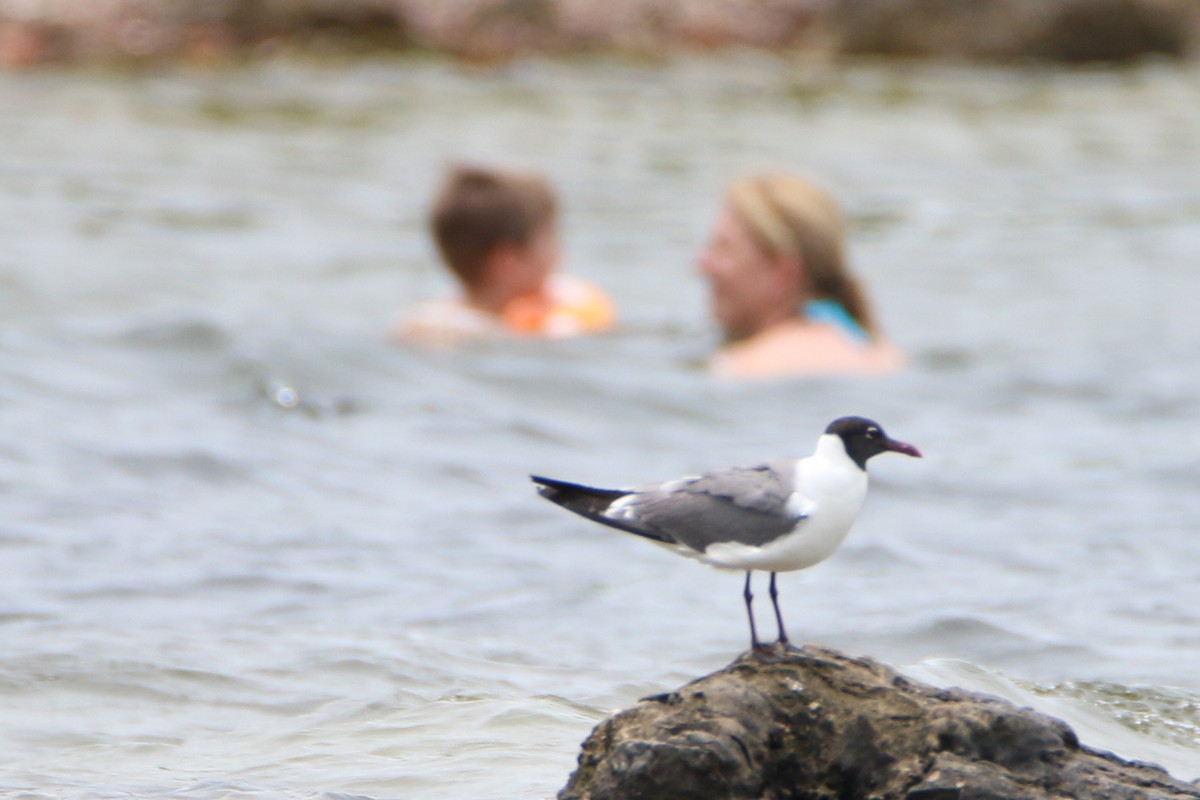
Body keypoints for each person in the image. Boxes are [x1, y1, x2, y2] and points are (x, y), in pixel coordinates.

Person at [697, 173, 904, 379]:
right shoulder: (881, 354)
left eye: (723, 249)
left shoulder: (744, 366)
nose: (702, 264)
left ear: (783, 272)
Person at [393, 164, 615, 345]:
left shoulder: (426, 320)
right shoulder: (446, 329)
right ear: (508, 262)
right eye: (549, 241)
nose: (560, 256)